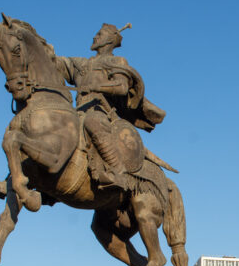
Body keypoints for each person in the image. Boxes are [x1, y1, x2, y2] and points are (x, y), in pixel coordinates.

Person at [57, 23, 165, 189]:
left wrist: (97, 87)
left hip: (100, 112)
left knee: (92, 122)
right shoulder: (80, 64)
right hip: (77, 112)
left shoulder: (117, 61)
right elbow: (55, 62)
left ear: (109, 40)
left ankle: (117, 171)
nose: (94, 37)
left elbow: (122, 87)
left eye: (99, 34)